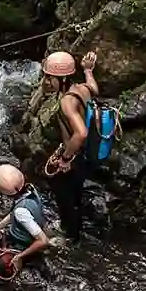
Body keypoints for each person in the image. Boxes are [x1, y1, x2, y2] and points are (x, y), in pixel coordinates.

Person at [39, 49, 102, 245]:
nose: (47, 82)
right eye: (47, 77)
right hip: (84, 154)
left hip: (75, 155)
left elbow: (81, 132)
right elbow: (94, 88)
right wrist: (88, 70)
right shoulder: (81, 89)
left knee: (64, 194)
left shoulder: (67, 100)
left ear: (63, 78)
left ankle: (70, 236)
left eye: (51, 78)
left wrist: (65, 158)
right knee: (73, 192)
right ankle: (72, 227)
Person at [0, 163, 52, 291]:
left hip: (19, 249)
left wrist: (19, 257)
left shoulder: (21, 211)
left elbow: (43, 240)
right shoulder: (30, 191)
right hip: (15, 238)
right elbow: (17, 213)